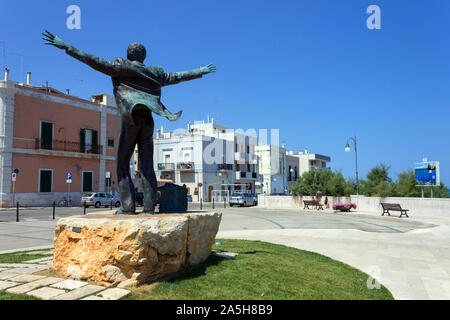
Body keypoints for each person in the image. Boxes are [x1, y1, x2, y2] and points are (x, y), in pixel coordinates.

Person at [42, 31, 215, 214]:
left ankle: (128, 207)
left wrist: (67, 47)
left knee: (123, 164)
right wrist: (200, 71)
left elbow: (93, 61)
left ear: (128, 55)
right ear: (143, 57)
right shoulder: (155, 73)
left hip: (131, 120)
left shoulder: (120, 67)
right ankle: (149, 209)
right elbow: (178, 76)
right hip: (148, 121)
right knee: (147, 167)